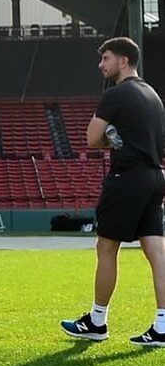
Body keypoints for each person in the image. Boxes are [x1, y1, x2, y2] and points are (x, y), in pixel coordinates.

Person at [62, 37, 165, 347]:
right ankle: (163, 325)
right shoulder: (153, 95)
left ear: (124, 61)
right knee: (157, 253)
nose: (101, 65)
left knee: (106, 248)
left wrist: (111, 138)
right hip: (155, 175)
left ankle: (97, 321)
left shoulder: (116, 94)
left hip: (127, 177)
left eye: (106, 58)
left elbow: (92, 138)